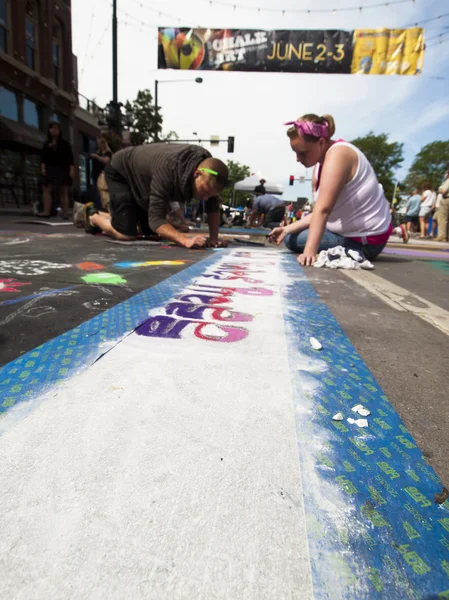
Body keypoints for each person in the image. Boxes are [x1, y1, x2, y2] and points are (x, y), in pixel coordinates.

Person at [268, 114, 394, 265]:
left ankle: (354, 251)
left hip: (366, 241)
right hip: (352, 234)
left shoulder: (338, 155)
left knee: (292, 240)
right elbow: (319, 213)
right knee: (289, 234)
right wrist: (287, 228)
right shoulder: (322, 162)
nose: (297, 158)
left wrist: (309, 252)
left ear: (321, 142)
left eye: (302, 152)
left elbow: (323, 209)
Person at [84, 143, 228, 248]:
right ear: (196, 174)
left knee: (148, 231)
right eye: (204, 191)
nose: (205, 198)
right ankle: (93, 216)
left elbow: (213, 204)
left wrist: (214, 238)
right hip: (122, 172)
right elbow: (156, 219)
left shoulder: (210, 172)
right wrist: (185, 240)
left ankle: (112, 216)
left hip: (144, 181)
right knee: (126, 233)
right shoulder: (169, 169)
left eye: (210, 195)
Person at [38, 122, 74, 219]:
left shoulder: (65, 144)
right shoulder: (46, 143)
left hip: (62, 168)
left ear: (59, 131)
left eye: (56, 128)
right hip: (49, 168)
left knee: (63, 191)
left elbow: (70, 158)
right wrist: (43, 169)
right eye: (52, 128)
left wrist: (71, 170)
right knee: (46, 189)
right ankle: (46, 211)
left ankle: (65, 213)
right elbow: (43, 158)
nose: (54, 130)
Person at [91, 136, 113, 209]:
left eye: (99, 144)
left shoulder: (107, 153)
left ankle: (104, 208)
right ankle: (99, 207)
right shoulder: (97, 151)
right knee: (96, 193)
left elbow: (106, 161)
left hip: (103, 175)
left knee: (102, 192)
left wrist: (97, 157)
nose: (97, 145)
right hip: (96, 174)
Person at [437, 168, 449, 242]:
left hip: (446, 199)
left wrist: (440, 189)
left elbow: (443, 191)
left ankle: (442, 236)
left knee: (443, 218)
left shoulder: (447, 181)